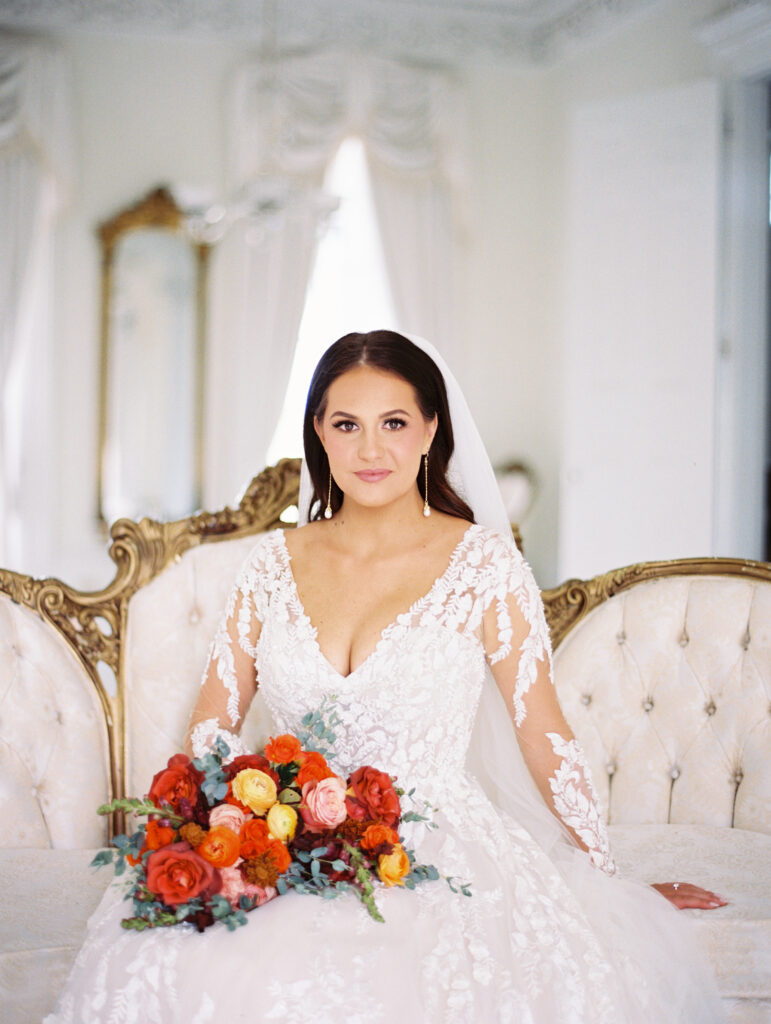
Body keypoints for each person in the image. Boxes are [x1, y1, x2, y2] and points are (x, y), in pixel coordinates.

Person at [47, 330, 726, 1023]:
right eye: (347, 425)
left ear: (431, 430)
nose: (370, 449)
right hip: (282, 841)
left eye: (393, 423)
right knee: (180, 960)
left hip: (434, 847)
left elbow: (541, 732)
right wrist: (216, 828)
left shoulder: (483, 567)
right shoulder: (271, 563)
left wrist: (604, 881)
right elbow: (214, 724)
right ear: (320, 433)